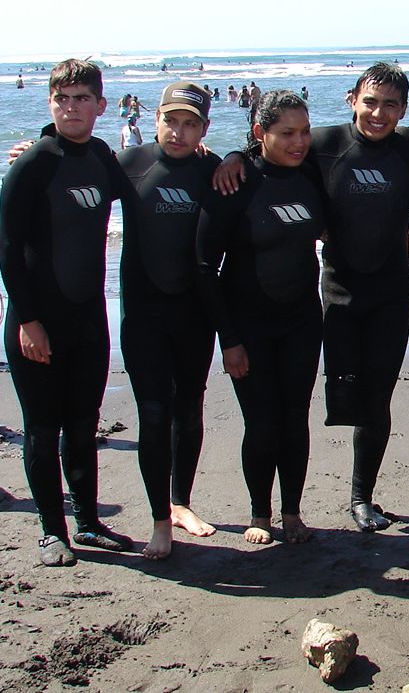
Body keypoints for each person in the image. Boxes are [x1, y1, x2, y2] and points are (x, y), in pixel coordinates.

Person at [212, 63, 409, 533]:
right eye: (370, 101)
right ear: (352, 99)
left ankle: (362, 498)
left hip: (392, 293)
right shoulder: (322, 143)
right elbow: (272, 146)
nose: (379, 113)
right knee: (341, 396)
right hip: (339, 294)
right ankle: (274, 509)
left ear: (404, 109)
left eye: (391, 105)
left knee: (377, 400)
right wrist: (234, 154)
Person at [0, 59, 133, 566]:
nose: (71, 108)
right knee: (41, 428)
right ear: (50, 103)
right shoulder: (33, 163)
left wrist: (209, 155)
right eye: (62, 99)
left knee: (83, 424)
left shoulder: (100, 156)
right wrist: (28, 321)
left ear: (100, 106)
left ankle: (89, 523)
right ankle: (51, 531)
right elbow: (7, 249)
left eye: (81, 99)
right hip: (36, 321)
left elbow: (139, 182)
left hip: (88, 319)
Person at [196, 90, 325, 545]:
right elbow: (204, 266)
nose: (299, 142)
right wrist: (228, 339)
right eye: (287, 133)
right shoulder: (236, 182)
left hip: (302, 322)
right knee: (262, 422)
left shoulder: (311, 175)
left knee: (295, 418)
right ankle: (259, 513)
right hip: (248, 326)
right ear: (259, 132)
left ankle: (291, 511)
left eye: (304, 132)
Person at [117, 82, 222, 559]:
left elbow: (261, 172)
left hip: (195, 314)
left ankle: (182, 503)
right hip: (143, 314)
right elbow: (71, 172)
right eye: (171, 121)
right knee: (154, 414)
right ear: (155, 118)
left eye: (190, 124)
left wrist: (236, 156)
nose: (178, 132)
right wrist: (35, 145)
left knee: (189, 408)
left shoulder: (213, 170)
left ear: (204, 127)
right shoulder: (128, 164)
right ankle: (161, 520)